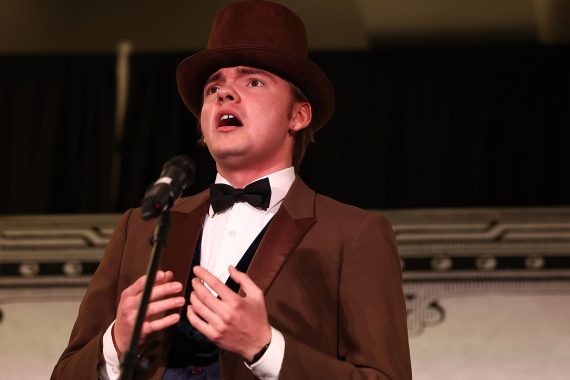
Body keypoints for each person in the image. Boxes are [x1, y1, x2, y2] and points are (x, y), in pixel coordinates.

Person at [52, 1, 412, 379]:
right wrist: (116, 342)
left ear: (298, 115)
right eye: (213, 88)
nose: (225, 94)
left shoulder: (354, 235)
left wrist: (266, 348)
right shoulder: (139, 228)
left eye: (253, 81)